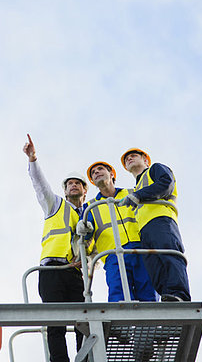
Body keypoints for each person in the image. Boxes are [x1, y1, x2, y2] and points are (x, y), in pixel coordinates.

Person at [23, 134, 86, 362]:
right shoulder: (55, 205)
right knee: (55, 323)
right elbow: (40, 185)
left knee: (84, 321)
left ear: (84, 190)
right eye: (69, 184)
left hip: (76, 273)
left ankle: (85, 357)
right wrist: (33, 159)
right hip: (51, 270)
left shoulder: (90, 213)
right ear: (65, 190)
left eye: (77, 183)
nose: (73, 185)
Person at [118, 148, 191, 302]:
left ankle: (179, 295)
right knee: (154, 266)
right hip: (145, 230)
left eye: (134, 156)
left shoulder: (155, 169)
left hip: (162, 220)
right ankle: (167, 296)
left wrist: (139, 195)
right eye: (126, 159)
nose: (129, 159)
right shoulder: (137, 187)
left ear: (146, 160)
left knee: (169, 256)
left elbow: (166, 184)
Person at [81, 161, 157, 302]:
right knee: (119, 297)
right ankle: (124, 325)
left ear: (111, 174)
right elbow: (86, 233)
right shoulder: (90, 206)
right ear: (92, 181)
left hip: (141, 249)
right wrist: (83, 227)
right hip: (112, 255)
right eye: (93, 173)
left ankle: (150, 324)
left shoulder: (133, 193)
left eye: (100, 169)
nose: (96, 172)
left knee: (149, 294)